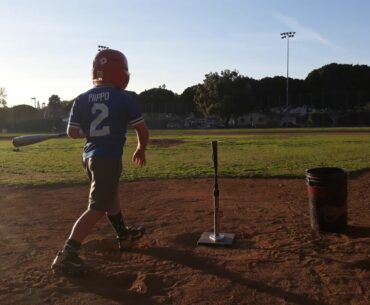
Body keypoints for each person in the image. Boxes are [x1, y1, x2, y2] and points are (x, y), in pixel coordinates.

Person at [51, 48, 149, 275]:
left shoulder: (82, 98)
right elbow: (142, 130)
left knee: (109, 197)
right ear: (121, 72)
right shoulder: (123, 97)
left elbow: (72, 133)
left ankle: (124, 236)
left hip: (89, 158)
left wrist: (90, 129)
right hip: (108, 158)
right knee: (97, 207)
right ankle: (67, 254)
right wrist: (140, 149)